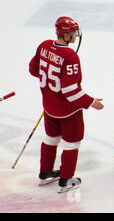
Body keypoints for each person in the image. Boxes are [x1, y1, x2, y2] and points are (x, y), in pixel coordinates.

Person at [29, 16, 104, 193]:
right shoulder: (70, 56)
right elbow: (70, 91)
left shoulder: (44, 45)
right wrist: (91, 102)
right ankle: (66, 179)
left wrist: (50, 90)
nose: (76, 36)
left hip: (49, 106)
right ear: (66, 35)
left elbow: (34, 69)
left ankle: (45, 173)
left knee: (50, 139)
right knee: (72, 144)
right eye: (73, 33)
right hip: (68, 111)